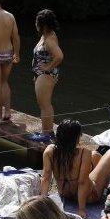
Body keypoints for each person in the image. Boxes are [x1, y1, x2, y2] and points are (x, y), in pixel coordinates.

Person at [40, 120, 110, 218]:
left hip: (64, 193)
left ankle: (109, 180)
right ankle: (107, 184)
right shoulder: (84, 153)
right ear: (76, 137)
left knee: (95, 155)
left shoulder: (49, 150)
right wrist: (81, 209)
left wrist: (41, 202)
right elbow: (82, 182)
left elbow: (46, 177)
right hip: (89, 197)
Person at [33, 9, 64, 137]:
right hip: (41, 75)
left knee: (45, 104)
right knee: (43, 104)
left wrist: (47, 68)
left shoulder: (49, 39)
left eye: (37, 22)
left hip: (46, 75)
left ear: (43, 25)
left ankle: (47, 134)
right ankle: (45, 131)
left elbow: (59, 56)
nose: (35, 24)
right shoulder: (45, 35)